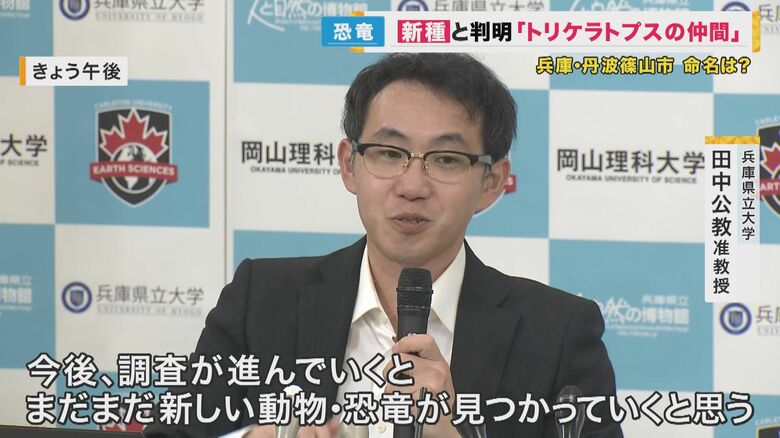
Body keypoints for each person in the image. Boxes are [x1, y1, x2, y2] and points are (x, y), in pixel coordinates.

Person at [145, 53, 622, 438]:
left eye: (446, 159)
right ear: (349, 164)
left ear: (492, 182)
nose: (412, 186)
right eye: (389, 154)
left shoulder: (558, 333)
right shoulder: (260, 300)